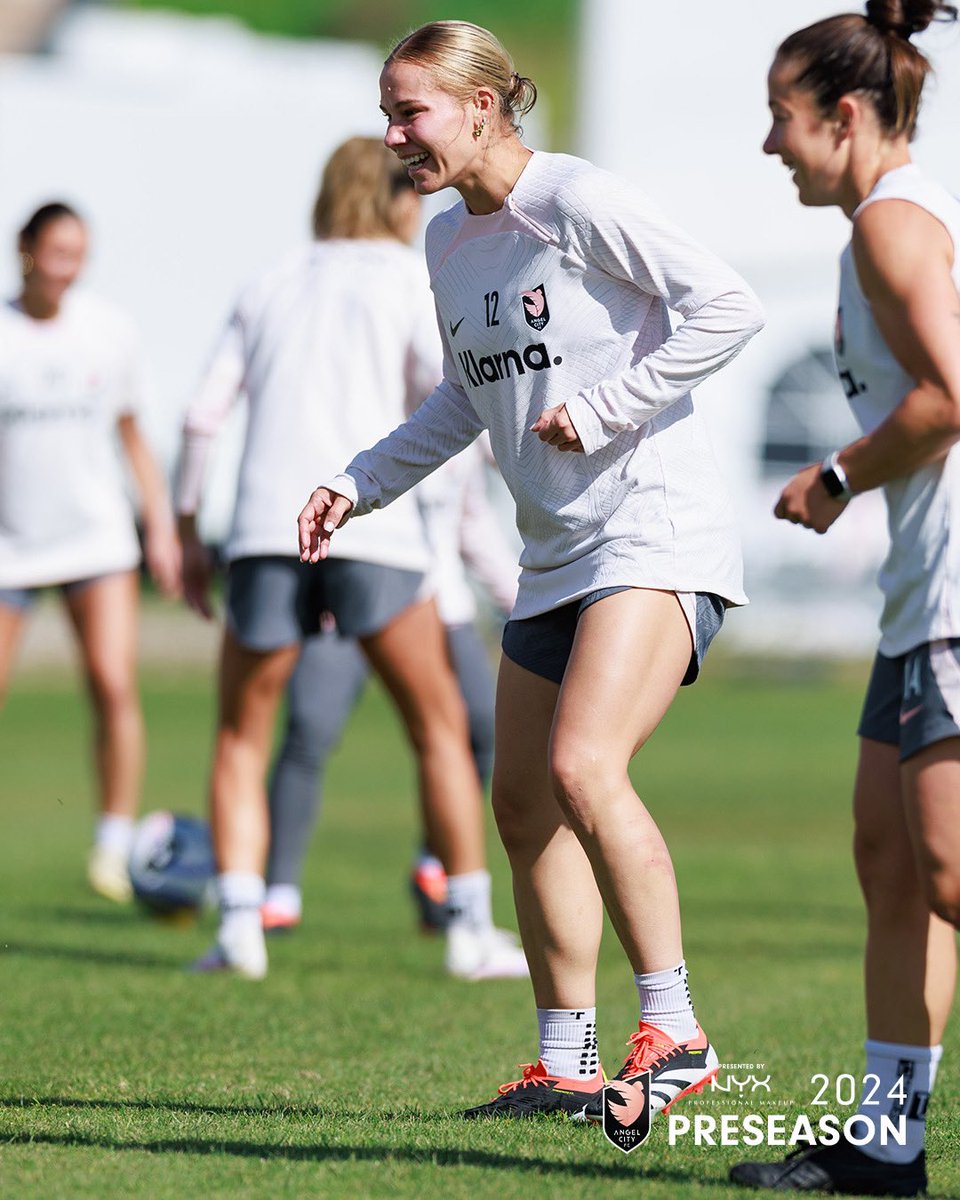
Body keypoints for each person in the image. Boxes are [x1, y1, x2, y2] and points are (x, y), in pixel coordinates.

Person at [299, 21, 764, 1122]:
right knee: (519, 804)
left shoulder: (579, 202)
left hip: (654, 531)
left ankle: (679, 1031)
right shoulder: (448, 243)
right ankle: (566, 1061)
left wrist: (607, 407)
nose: (393, 134)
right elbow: (469, 395)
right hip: (554, 554)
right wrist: (358, 481)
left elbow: (728, 307)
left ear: (482, 107)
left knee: (584, 767)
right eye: (386, 110)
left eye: (409, 110)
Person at [177, 136, 528, 983]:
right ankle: (469, 929)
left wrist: (189, 530)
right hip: (373, 527)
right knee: (439, 730)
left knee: (242, 732)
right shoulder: (412, 278)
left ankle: (239, 927)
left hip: (265, 528)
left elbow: (200, 417)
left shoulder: (267, 282)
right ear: (401, 196)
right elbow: (445, 398)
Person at [729, 3, 960, 1195]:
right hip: (918, 595)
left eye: (782, 117)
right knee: (891, 860)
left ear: (847, 115)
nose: (771, 145)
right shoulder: (875, 229)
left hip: (957, 595)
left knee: (951, 869)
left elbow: (950, 395)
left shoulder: (893, 228)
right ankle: (887, 1149)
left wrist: (833, 477)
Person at [262, 436, 519, 935]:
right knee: (309, 729)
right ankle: (277, 893)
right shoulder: (363, 401)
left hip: (439, 604)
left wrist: (518, 598)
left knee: (483, 729)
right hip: (355, 600)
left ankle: (436, 868)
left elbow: (469, 523)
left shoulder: (455, 417)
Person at [0, 201, 181, 902]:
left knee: (112, 682)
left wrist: (160, 527)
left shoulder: (109, 331)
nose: (67, 266)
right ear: (27, 251)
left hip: (96, 540)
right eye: (56, 251)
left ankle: (112, 842)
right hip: (12, 545)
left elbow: (136, 439)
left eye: (79, 252)